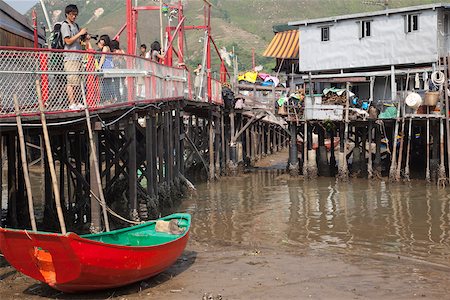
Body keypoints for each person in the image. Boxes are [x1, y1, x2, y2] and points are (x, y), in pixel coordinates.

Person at [61, 4, 89, 110]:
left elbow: (78, 41)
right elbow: (67, 41)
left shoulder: (75, 26)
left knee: (78, 81)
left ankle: (77, 102)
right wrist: (79, 33)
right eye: (72, 15)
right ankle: (72, 102)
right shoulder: (65, 25)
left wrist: (84, 36)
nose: (74, 17)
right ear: (67, 14)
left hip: (78, 57)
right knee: (71, 81)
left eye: (75, 15)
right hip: (70, 57)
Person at [97, 34, 116, 103]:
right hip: (110, 67)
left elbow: (103, 57)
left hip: (106, 66)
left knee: (105, 84)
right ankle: (112, 98)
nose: (100, 41)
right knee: (109, 83)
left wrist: (99, 66)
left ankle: (108, 99)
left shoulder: (105, 48)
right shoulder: (109, 48)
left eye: (102, 39)